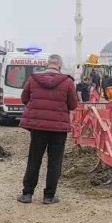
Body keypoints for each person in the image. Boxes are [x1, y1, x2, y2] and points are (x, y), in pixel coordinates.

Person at [18, 54, 78, 204]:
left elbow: (24, 98)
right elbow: (73, 105)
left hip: (38, 127)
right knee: (55, 162)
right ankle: (49, 196)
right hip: (58, 129)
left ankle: (27, 194)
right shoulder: (68, 82)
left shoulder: (33, 79)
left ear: (47, 65)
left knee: (34, 159)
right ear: (59, 65)